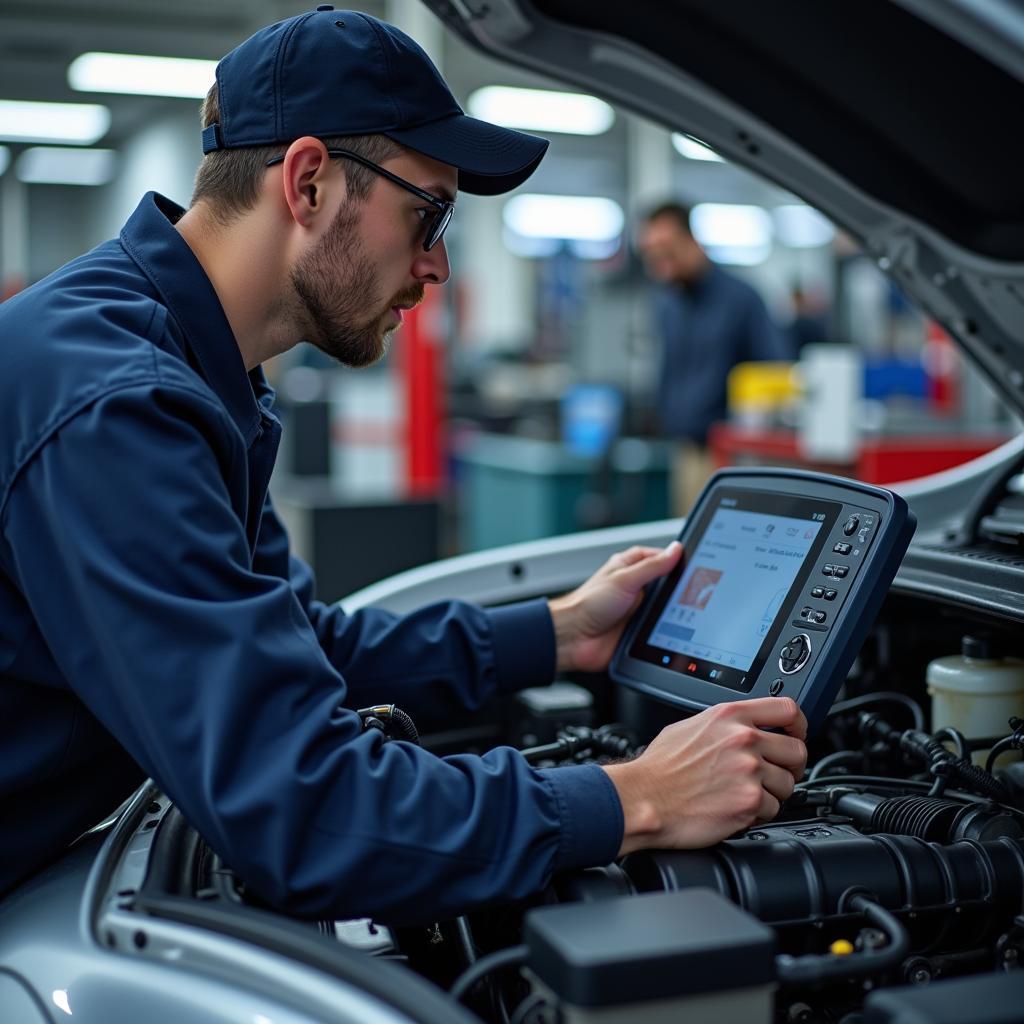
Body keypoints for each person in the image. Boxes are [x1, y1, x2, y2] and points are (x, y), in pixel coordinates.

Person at [0, 8, 806, 923]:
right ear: (306, 183)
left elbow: (300, 647)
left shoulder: (192, 369)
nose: (438, 268)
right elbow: (306, 813)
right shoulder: (116, 401)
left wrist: (559, 632)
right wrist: (643, 797)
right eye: (427, 213)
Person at [638, 202, 792, 514]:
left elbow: (774, 369)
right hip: (684, 451)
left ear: (692, 241)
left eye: (667, 250)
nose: (661, 263)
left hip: (730, 454)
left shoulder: (742, 299)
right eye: (652, 254)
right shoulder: (668, 305)